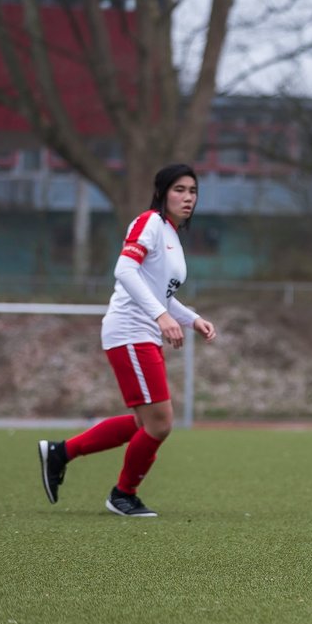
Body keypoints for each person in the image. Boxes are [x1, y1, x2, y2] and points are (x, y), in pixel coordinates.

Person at [37, 164, 217, 517]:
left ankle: (60, 453)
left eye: (193, 191)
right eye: (179, 189)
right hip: (130, 331)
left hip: (143, 332)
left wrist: (191, 318)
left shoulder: (171, 236)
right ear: (163, 192)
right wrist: (160, 317)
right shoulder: (149, 222)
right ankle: (123, 494)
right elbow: (124, 270)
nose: (187, 197)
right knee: (161, 423)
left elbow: (161, 294)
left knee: (143, 423)